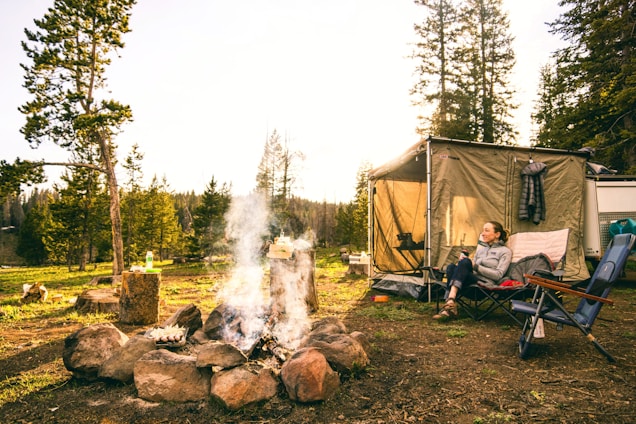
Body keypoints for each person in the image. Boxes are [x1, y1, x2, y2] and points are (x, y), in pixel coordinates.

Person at [433, 221, 512, 319]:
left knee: (465, 262)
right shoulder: (481, 250)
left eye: (486, 231)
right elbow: (470, 267)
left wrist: (475, 266)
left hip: (484, 285)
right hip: (470, 282)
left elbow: (498, 275)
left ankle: (449, 302)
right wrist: (461, 265)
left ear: (497, 234)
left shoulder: (505, 252)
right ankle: (450, 302)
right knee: (451, 267)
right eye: (483, 231)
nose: (482, 234)